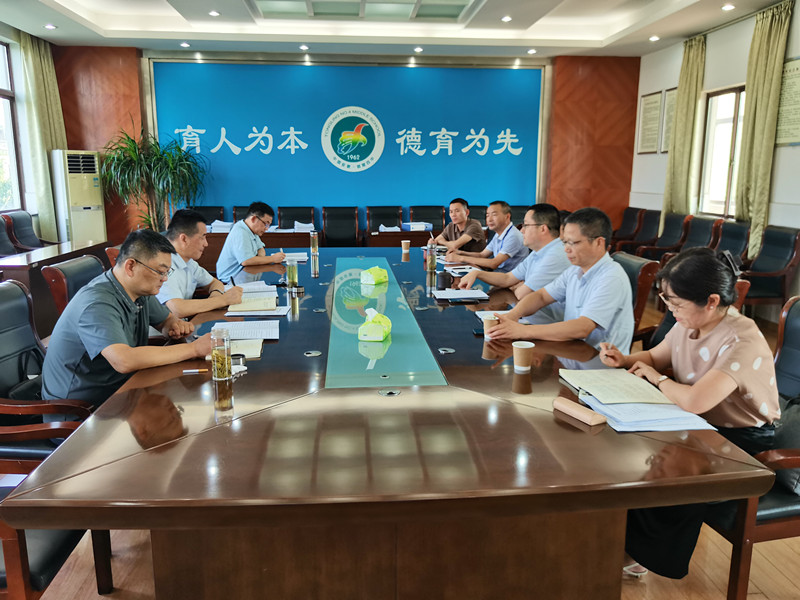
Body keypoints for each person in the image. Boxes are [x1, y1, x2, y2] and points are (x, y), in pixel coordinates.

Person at [598, 247, 780, 579]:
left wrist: (657, 379)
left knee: (675, 472)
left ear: (711, 301)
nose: (670, 311)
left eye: (676, 304)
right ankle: (625, 543)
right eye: (667, 301)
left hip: (740, 441)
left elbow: (695, 400)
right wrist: (624, 360)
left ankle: (645, 556)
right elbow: (656, 356)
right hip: (695, 424)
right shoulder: (690, 321)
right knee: (627, 450)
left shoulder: (741, 339)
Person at [42, 229, 212, 407]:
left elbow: (166, 321)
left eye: (167, 272)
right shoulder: (97, 303)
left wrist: (173, 326)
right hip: (82, 409)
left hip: (123, 389)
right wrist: (194, 349)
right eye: (160, 272)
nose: (164, 279)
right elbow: (124, 360)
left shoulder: (139, 290)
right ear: (131, 266)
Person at [487, 207, 633, 352]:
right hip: (571, 350)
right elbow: (541, 296)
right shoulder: (574, 270)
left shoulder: (611, 277)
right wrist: (513, 315)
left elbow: (583, 327)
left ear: (598, 242)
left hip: (598, 359)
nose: (566, 249)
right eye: (565, 242)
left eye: (573, 243)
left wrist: (522, 331)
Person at [458, 203, 569, 324]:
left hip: (551, 324)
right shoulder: (538, 252)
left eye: (526, 225)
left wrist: (520, 286)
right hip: (533, 317)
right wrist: (477, 274)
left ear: (543, 229)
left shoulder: (555, 255)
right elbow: (507, 278)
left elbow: (522, 294)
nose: (522, 230)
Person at [157, 209, 243, 318]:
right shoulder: (163, 264)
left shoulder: (189, 262)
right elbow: (178, 309)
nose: (206, 244)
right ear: (184, 239)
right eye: (202, 237)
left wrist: (214, 299)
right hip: (167, 327)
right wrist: (223, 300)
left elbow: (214, 283)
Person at [446, 201, 529, 272]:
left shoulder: (513, 236)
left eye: (494, 215)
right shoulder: (499, 233)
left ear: (507, 217)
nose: (489, 219)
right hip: (500, 274)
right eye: (487, 215)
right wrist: (460, 253)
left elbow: (494, 263)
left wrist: (460, 258)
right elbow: (482, 255)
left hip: (510, 278)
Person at [216, 202, 285, 283]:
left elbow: (261, 248)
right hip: (230, 280)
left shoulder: (251, 230)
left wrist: (259, 259)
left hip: (245, 273)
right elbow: (246, 261)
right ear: (254, 219)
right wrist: (272, 259)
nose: (267, 228)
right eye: (266, 224)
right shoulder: (240, 232)